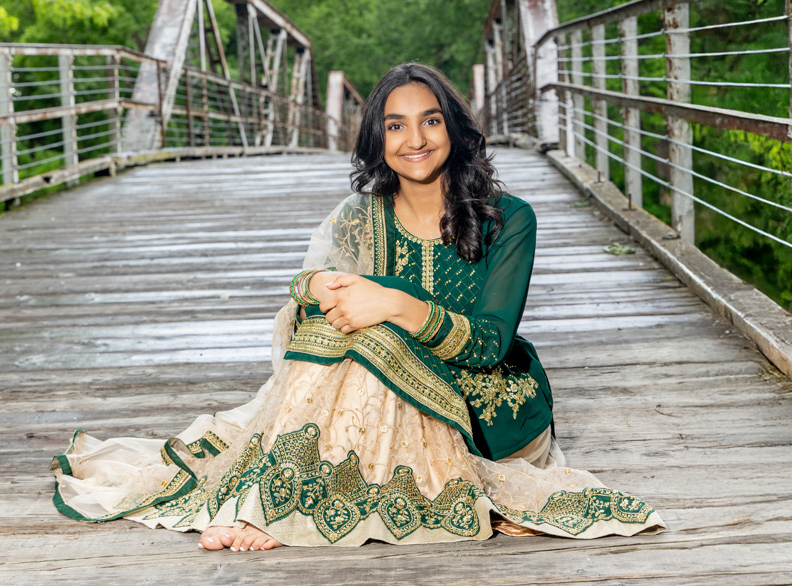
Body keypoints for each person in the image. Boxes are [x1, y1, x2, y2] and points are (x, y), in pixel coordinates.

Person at [50, 63, 665, 551]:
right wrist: (316, 289)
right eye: (395, 126)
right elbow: (307, 288)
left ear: (454, 128)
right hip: (371, 382)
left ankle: (284, 512)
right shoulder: (360, 218)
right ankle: (279, 500)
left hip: (484, 401)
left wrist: (395, 304)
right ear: (378, 139)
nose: (415, 139)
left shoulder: (511, 220)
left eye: (430, 121)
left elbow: (489, 344)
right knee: (329, 329)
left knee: (370, 336)